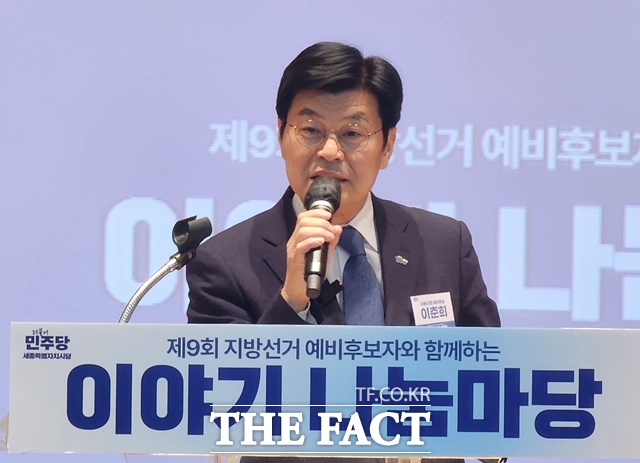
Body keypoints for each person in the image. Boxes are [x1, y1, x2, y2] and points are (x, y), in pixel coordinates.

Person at [187, 42, 502, 463]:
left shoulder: (444, 243)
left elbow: (494, 384)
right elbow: (221, 408)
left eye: (352, 134)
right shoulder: (224, 262)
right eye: (310, 130)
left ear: (387, 145)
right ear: (280, 134)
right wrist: (291, 302)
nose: (330, 151)